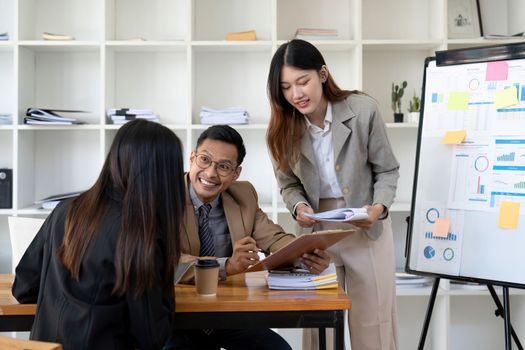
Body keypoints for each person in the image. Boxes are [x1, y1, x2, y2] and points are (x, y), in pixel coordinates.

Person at [266, 39, 400, 350]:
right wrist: (298, 206)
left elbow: (387, 170)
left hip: (365, 227)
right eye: (286, 87)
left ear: (322, 74)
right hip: (316, 233)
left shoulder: (362, 110)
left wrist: (377, 209)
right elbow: (288, 184)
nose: (296, 94)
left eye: (303, 81)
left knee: (373, 324)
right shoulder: (281, 130)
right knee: (319, 328)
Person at [12, 119, 186, 350]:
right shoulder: (141, 236)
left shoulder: (67, 209)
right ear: (165, 175)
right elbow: (152, 336)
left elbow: (23, 288)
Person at [173, 124, 331, 350]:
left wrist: (308, 253)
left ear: (236, 173)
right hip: (178, 317)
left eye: (224, 166)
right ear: (192, 158)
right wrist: (226, 266)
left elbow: (275, 239)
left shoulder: (243, 194)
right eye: (204, 160)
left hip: (226, 315)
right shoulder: (165, 194)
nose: (210, 173)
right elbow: (166, 261)